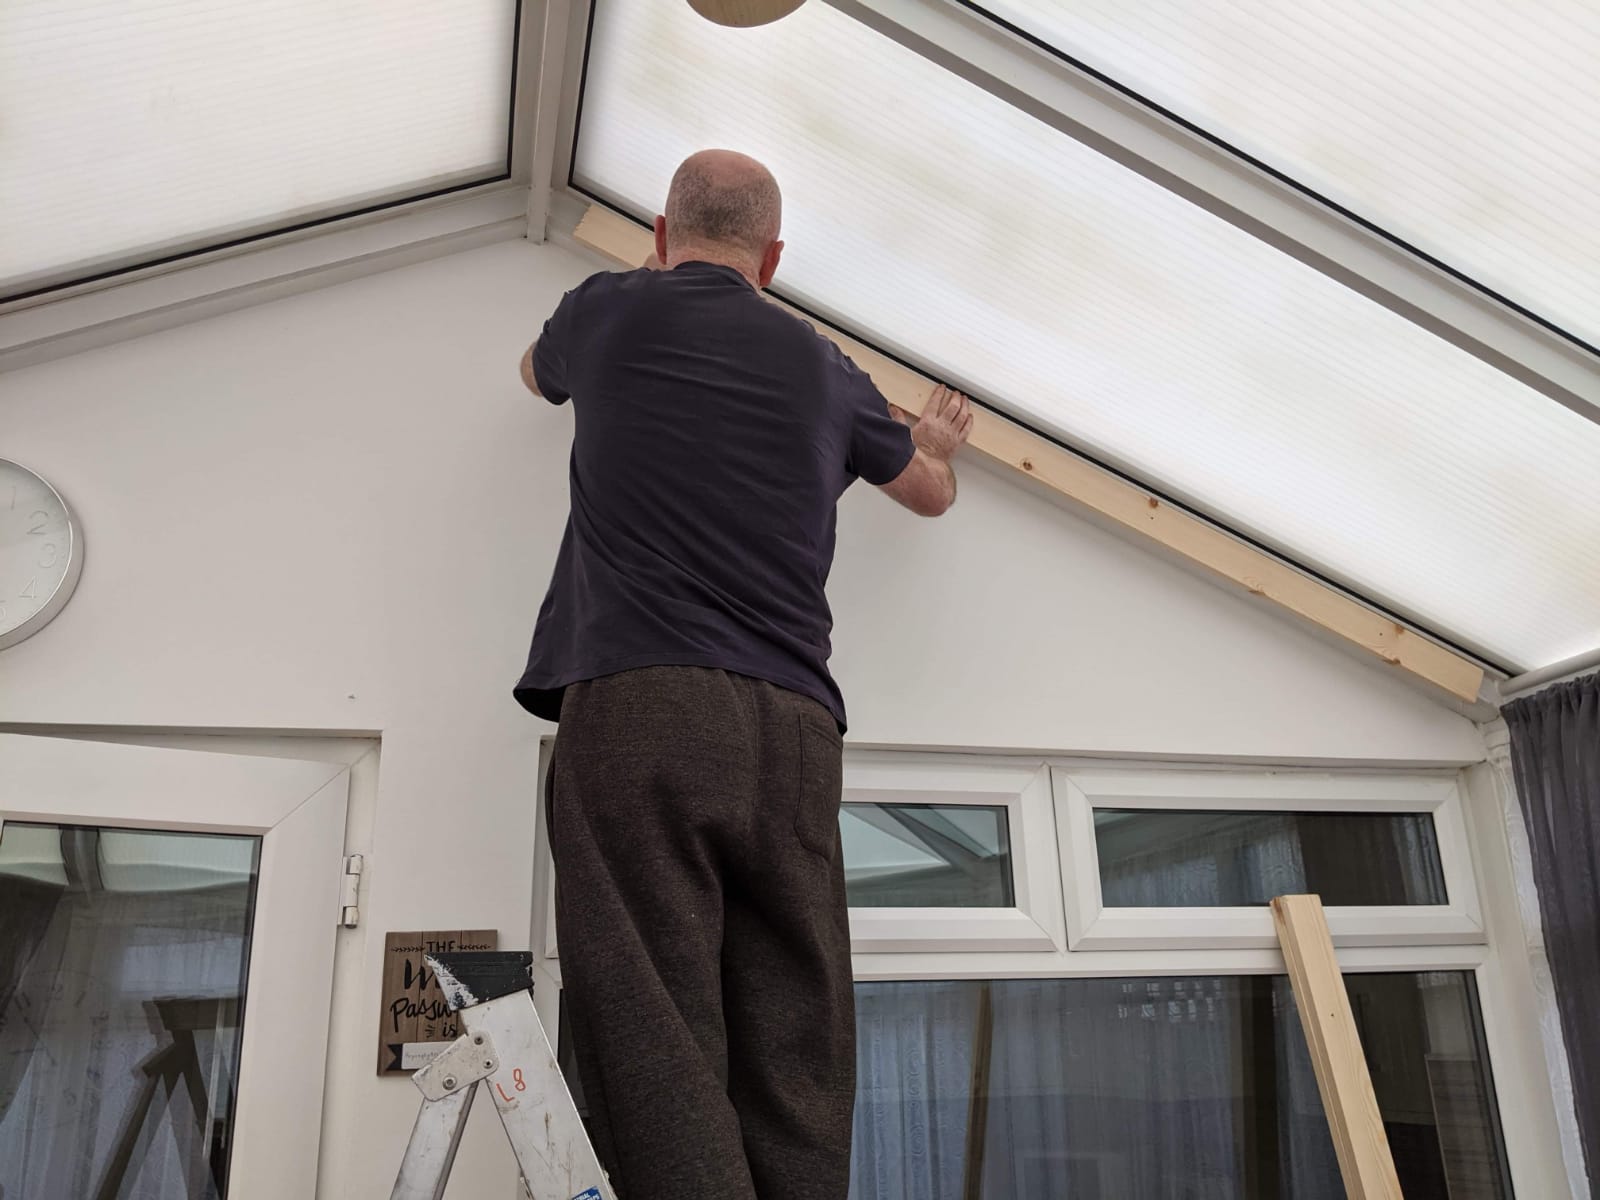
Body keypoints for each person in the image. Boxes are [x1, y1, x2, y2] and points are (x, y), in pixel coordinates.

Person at [515, 148, 971, 1200]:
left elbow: (533, 375)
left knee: (653, 1023)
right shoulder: (826, 367)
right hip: (797, 733)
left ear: (665, 234)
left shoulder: (605, 310)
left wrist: (649, 274)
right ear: (772, 257)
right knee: (793, 1035)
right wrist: (936, 439)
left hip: (644, 699)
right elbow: (930, 493)